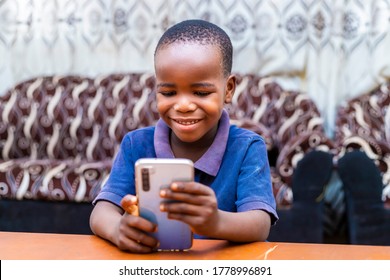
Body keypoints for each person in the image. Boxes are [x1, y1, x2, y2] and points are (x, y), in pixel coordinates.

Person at [90, 19, 278, 253]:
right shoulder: (136, 145)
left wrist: (216, 222)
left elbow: (260, 224)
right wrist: (118, 229)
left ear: (228, 89)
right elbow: (101, 212)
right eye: (168, 92)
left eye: (201, 92)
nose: (184, 105)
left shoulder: (248, 147)